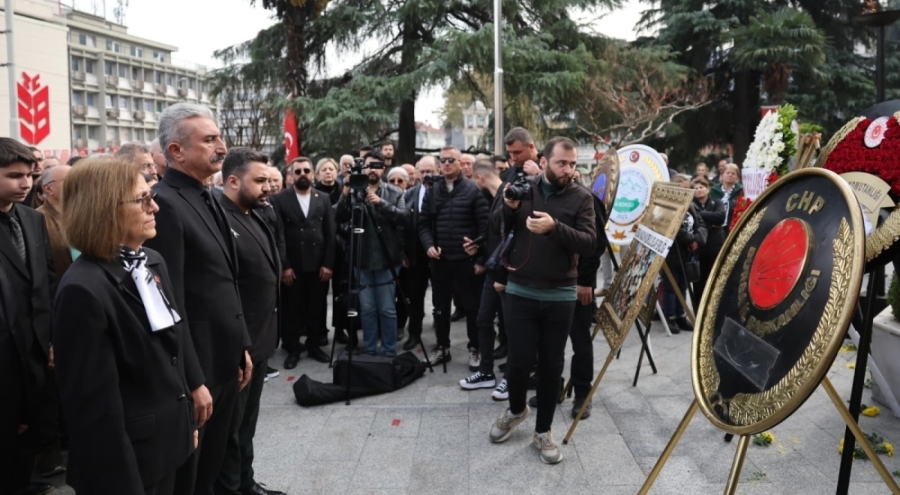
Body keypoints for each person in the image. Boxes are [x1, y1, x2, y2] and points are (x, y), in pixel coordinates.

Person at [53, 156, 197, 495]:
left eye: (153, 196)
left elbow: (169, 354)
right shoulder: (82, 289)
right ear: (103, 208)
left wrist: (185, 420)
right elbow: (93, 409)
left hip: (173, 440)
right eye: (142, 199)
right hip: (133, 463)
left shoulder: (151, 260)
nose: (154, 208)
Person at [143, 103, 250, 495]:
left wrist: (241, 347)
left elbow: (224, 281)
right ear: (176, 152)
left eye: (219, 137)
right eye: (209, 140)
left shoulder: (209, 195)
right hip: (198, 369)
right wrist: (192, 379)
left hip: (224, 359)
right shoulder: (164, 204)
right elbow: (171, 303)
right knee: (192, 477)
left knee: (214, 468)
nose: (221, 146)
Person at [487, 136, 596, 465]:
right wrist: (509, 209)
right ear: (545, 161)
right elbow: (494, 226)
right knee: (518, 363)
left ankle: (543, 430)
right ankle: (517, 410)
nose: (569, 169)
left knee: (551, 365)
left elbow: (590, 243)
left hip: (560, 293)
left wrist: (555, 228)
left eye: (573, 163)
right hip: (520, 289)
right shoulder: (523, 187)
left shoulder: (581, 197)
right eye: (562, 163)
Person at [215, 149, 285, 495]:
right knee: (230, 430)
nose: (267, 188)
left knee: (246, 425)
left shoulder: (255, 214)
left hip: (260, 342)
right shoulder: (219, 219)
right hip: (237, 345)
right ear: (232, 181)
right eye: (259, 181)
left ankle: (246, 483)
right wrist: (239, 343)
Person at [0, 139, 56, 495]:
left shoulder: (32, 219)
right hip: (4, 355)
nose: (25, 184)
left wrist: (52, 337)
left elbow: (46, 282)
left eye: (29, 175)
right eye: (14, 176)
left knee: (28, 438)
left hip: (35, 353)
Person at [418, 146, 489, 366]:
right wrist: (429, 245)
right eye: (443, 160)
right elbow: (423, 224)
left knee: (471, 306)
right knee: (440, 307)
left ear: (461, 163)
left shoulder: (473, 189)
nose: (447, 163)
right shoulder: (432, 190)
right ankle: (442, 346)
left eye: (452, 160)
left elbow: (485, 227)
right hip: (440, 261)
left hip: (466, 261)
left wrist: (479, 257)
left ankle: (475, 348)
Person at [335, 152, 408, 356]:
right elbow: (338, 216)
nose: (372, 169)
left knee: (386, 309)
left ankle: (388, 350)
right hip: (361, 259)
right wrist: (347, 190)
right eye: (368, 166)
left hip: (387, 260)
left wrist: (381, 203)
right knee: (367, 310)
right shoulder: (354, 191)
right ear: (362, 168)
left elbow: (404, 218)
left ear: (383, 169)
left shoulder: (395, 192)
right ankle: (370, 350)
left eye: (377, 166)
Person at [270, 157, 335, 367]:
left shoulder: (323, 198)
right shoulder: (280, 199)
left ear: (312, 173)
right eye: (297, 171)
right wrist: (285, 266)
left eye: (306, 170)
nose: (302, 174)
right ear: (291, 176)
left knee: (317, 307)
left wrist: (328, 263)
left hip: (318, 266)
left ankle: (315, 345)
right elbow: (278, 235)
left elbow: (330, 233)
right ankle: (293, 349)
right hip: (293, 267)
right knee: (292, 309)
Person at [459, 162, 510, 399]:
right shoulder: (494, 195)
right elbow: (494, 235)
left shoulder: (506, 194)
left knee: (511, 327)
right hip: (493, 269)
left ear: (479, 178)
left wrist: (505, 276)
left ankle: (511, 378)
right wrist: (478, 247)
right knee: (483, 319)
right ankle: (486, 371)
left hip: (507, 273)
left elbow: (512, 236)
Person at [399, 156, 437, 351]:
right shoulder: (409, 194)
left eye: (430, 171)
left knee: (440, 297)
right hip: (415, 255)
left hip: (439, 255)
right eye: (422, 172)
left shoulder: (445, 193)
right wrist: (403, 253)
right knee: (415, 297)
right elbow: (403, 226)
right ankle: (414, 333)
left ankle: (441, 337)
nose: (426, 175)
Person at [691, 176, 725, 315]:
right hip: (698, 248)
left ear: (708, 189)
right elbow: (693, 222)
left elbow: (720, 217)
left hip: (714, 247)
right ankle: (698, 312)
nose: (699, 190)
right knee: (698, 282)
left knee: (713, 280)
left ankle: (713, 311)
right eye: (696, 188)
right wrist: (711, 222)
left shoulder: (717, 202)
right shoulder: (691, 205)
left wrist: (700, 216)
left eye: (702, 187)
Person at [37, 164, 73, 280]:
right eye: (69, 180)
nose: (77, 184)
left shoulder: (84, 214)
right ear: (48, 188)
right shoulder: (37, 219)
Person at [710, 162, 743, 232]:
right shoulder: (714, 190)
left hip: (734, 228)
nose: (730, 175)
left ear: (737, 177)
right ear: (722, 175)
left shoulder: (741, 190)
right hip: (715, 228)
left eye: (733, 173)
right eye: (727, 173)